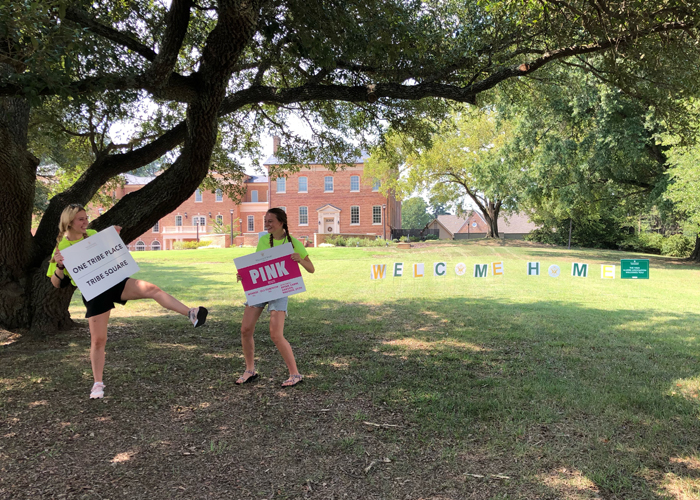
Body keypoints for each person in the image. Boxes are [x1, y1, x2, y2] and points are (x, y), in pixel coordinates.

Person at [48, 204, 208, 400]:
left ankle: (191, 313)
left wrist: (112, 237)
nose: (86, 222)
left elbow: (108, 253)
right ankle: (97, 383)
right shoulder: (61, 247)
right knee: (98, 341)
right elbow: (57, 283)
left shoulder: (91, 234)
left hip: (114, 282)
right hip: (94, 291)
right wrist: (60, 266)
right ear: (69, 222)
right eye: (81, 219)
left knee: (151, 289)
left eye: (86, 217)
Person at [235, 208, 315, 387]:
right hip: (261, 289)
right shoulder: (264, 240)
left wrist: (299, 260)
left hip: (280, 291)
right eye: (266, 220)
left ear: (281, 222)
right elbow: (257, 264)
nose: (267, 224)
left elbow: (311, 268)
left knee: (276, 334)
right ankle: (250, 370)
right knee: (245, 329)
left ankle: (295, 374)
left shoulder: (294, 243)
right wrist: (244, 276)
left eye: (270, 221)